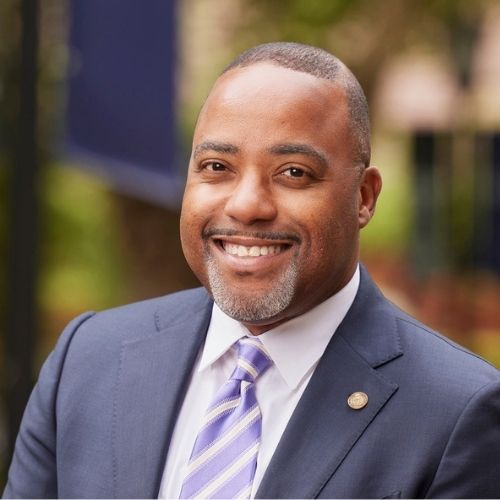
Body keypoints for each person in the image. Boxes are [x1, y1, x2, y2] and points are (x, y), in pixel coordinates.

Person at [3, 42, 500, 499]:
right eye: (217, 167)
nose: (247, 206)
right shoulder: (89, 359)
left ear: (363, 197)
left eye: (293, 174)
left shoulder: (457, 412)